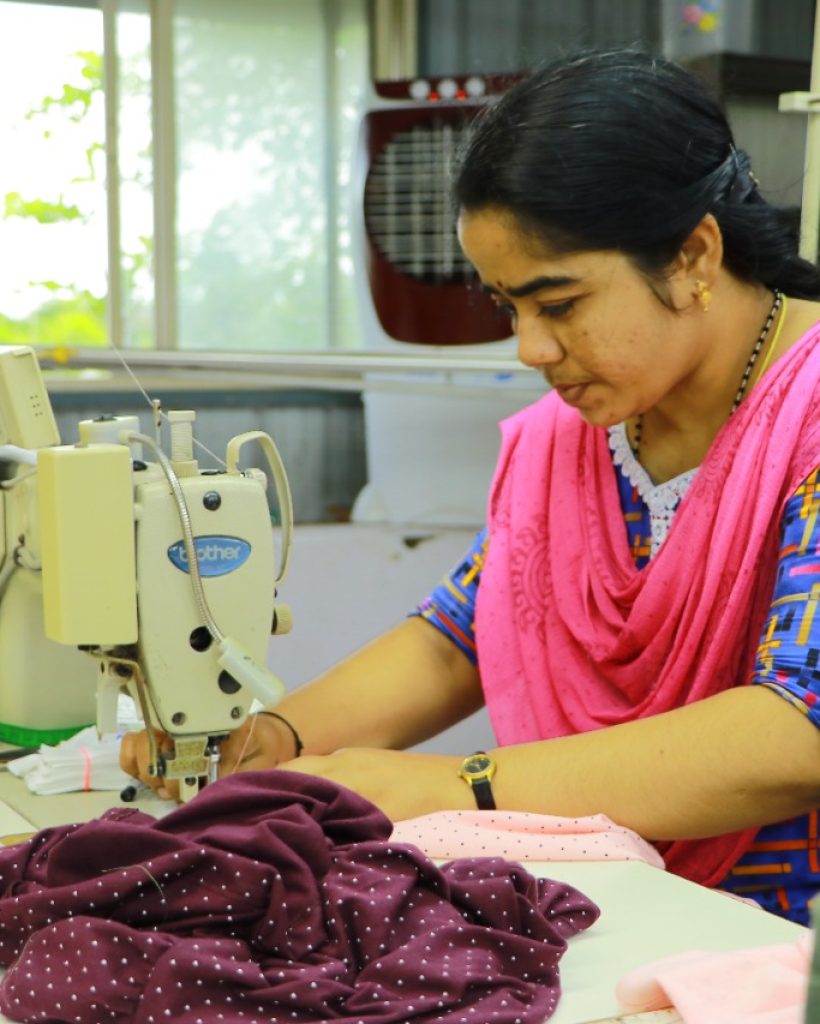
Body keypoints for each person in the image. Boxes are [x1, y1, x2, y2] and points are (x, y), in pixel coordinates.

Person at [122, 48, 820, 924]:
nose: (529, 348)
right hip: (613, 902)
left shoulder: (808, 411)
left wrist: (463, 785)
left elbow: (798, 729)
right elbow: (465, 633)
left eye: (559, 304)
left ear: (693, 256)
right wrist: (279, 736)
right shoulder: (577, 434)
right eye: (507, 306)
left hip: (773, 942)